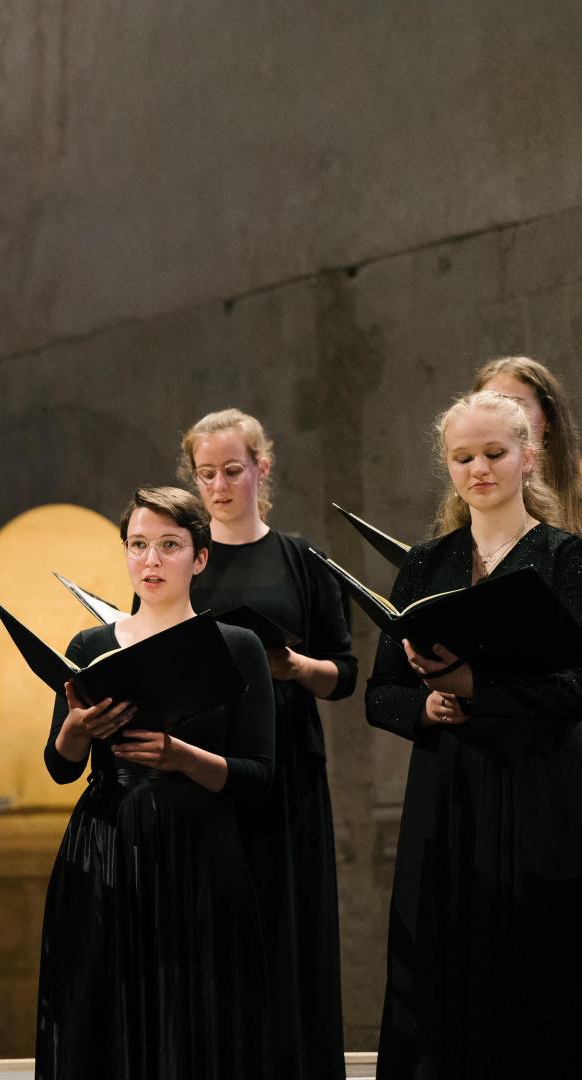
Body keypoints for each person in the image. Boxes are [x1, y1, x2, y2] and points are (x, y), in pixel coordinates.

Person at [365, 389, 582, 1078]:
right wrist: (424, 709)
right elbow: (379, 694)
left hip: (538, 786)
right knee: (443, 956)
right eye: (462, 457)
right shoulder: (426, 564)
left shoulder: (563, 556)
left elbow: (576, 687)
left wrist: (475, 691)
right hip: (447, 792)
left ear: (528, 456)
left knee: (534, 958)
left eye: (493, 453)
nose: (478, 469)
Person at [35, 487, 275, 1079]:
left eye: (170, 546)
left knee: (196, 1015)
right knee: (101, 1011)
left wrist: (181, 756)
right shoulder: (89, 646)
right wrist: (77, 729)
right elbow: (60, 766)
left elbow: (260, 777)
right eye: (138, 545)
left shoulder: (237, 647)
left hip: (199, 852)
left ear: (199, 558)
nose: (151, 560)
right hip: (107, 845)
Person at [179, 409, 353, 1079]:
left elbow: (343, 673)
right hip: (209, 764)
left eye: (231, 471)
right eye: (205, 475)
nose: (218, 487)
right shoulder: (183, 557)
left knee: (290, 924)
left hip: (285, 765)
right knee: (219, 928)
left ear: (261, 468)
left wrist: (288, 668)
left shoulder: (300, 558)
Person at [471, 355, 582, 533]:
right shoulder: (470, 492)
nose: (500, 420)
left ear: (549, 419)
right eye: (489, 407)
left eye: (516, 406)